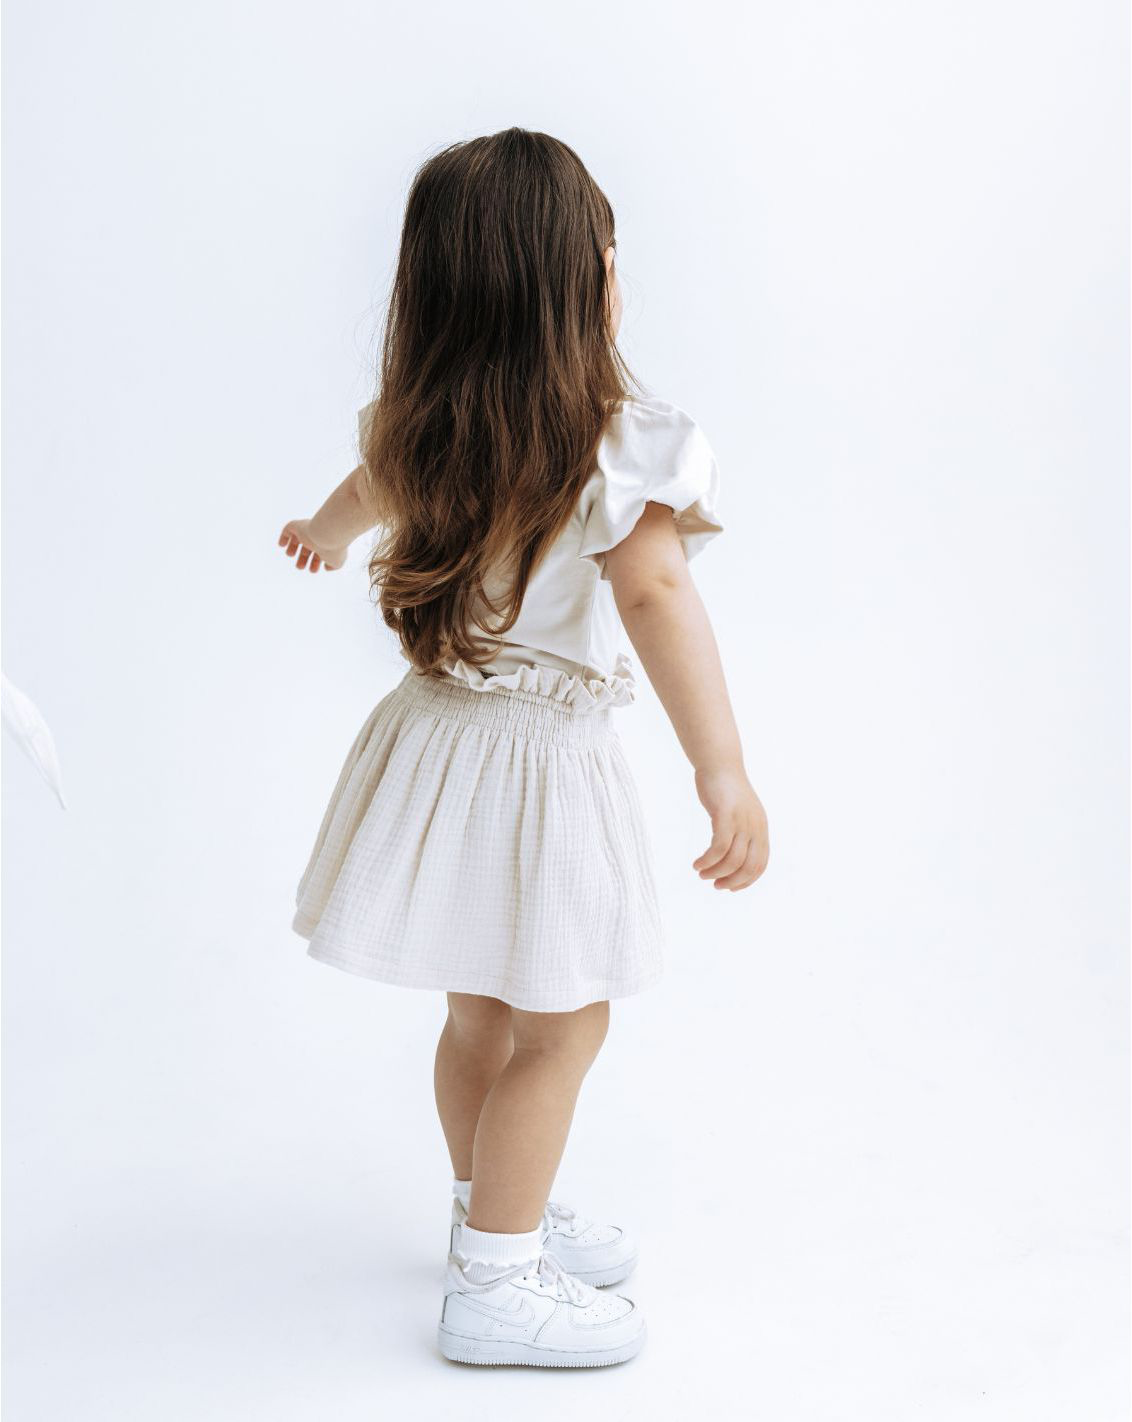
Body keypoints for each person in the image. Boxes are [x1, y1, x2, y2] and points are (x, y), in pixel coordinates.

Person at [277, 127, 769, 1368]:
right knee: (564, 1025)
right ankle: (498, 1279)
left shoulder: (420, 425)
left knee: (482, 1015)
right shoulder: (618, 443)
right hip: (539, 769)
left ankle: (489, 1211)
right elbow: (655, 595)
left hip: (436, 743)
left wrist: (322, 534)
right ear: (582, 283)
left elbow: (362, 490)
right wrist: (720, 768)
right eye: (608, 251)